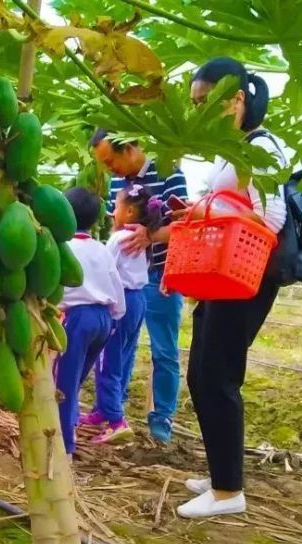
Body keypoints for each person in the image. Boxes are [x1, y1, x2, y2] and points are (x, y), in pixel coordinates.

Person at [178, 57, 288, 519]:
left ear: (237, 98)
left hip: (248, 275)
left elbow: (273, 217)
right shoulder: (232, 148)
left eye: (206, 103)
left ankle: (228, 493)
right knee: (199, 374)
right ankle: (221, 470)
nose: (200, 112)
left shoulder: (262, 147)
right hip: (222, 274)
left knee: (219, 376)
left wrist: (214, 216)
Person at [91, 129, 189, 444]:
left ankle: (161, 419)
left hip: (162, 275)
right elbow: (114, 224)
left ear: (130, 147)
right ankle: (112, 412)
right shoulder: (119, 183)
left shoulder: (169, 171)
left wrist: (151, 237)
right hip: (126, 283)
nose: (110, 169)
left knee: (163, 350)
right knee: (121, 349)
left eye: (111, 161)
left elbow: (185, 224)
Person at [81, 185, 162, 443]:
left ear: (128, 211)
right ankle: (103, 410)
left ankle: (116, 419)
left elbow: (106, 268)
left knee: (107, 362)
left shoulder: (118, 238)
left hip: (121, 301)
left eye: (115, 206)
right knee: (124, 357)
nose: (112, 212)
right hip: (138, 300)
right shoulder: (140, 239)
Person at [56, 187, 126, 459]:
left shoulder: (64, 248)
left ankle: (63, 447)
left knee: (62, 384)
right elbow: (116, 288)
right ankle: (70, 424)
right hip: (103, 320)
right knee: (74, 381)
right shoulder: (101, 248)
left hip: (76, 319)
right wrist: (114, 318)